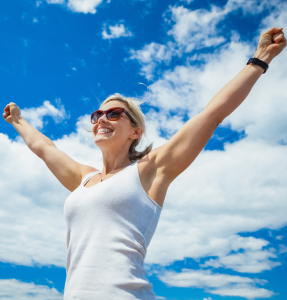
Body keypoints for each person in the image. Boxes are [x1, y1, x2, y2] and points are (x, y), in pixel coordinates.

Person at [3, 27, 286, 299]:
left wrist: (260, 59)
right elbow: (44, 148)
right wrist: (18, 120)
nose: (102, 119)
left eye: (114, 114)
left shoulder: (149, 171)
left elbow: (212, 114)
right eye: (97, 114)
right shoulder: (83, 179)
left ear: (136, 131)